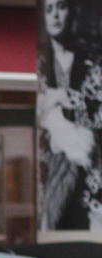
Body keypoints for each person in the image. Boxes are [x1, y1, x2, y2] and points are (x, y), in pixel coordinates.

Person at [40, 0, 102, 229]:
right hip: (57, 172)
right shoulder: (42, 64)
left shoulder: (90, 63)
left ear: (72, 12)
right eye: (49, 9)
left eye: (61, 7)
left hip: (88, 182)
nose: (55, 15)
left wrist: (65, 103)